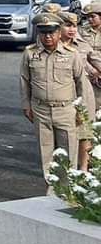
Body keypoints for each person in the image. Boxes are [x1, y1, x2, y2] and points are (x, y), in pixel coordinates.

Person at [21, 12, 87, 186]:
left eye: (51, 32)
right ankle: (51, 190)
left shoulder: (72, 54)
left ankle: (68, 190)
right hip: (41, 109)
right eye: (43, 33)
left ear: (59, 33)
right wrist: (26, 105)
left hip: (66, 110)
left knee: (68, 153)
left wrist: (82, 111)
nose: (47, 36)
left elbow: (81, 84)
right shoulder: (30, 53)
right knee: (46, 153)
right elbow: (24, 80)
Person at [59, 12, 100, 170]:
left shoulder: (81, 44)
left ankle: (83, 167)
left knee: (85, 130)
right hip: (62, 92)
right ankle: (65, 167)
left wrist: (95, 71)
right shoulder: (52, 45)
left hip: (83, 91)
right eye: (68, 25)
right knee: (64, 132)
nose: (72, 29)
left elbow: (94, 60)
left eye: (74, 26)